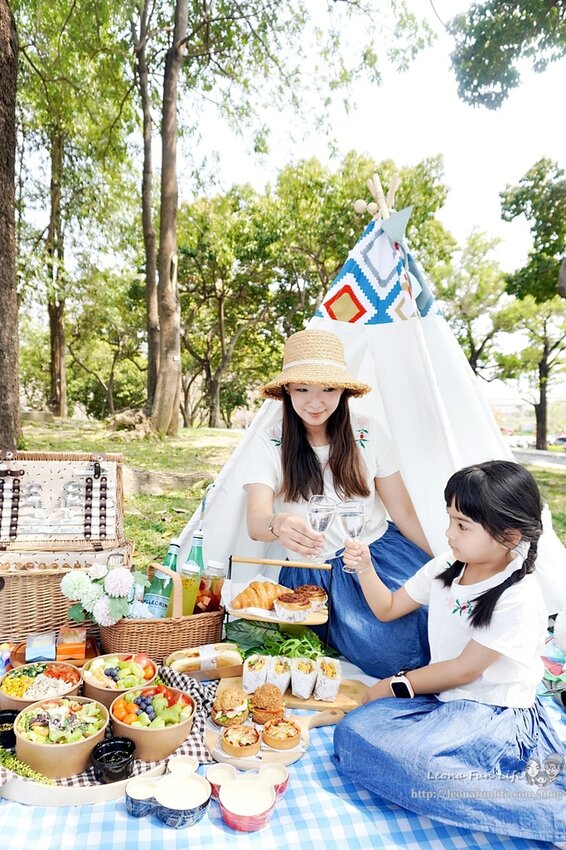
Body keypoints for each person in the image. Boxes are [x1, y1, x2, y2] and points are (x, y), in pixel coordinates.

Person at [333, 460, 566, 844]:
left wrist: (394, 684)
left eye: (462, 525)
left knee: (420, 766)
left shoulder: (519, 596)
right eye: (450, 519)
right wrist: (364, 568)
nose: (448, 533)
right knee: (353, 732)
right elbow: (387, 608)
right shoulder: (447, 566)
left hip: (493, 713)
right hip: (444, 701)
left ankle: (551, 814)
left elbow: (463, 671)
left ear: (508, 536)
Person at [243, 327, 433, 678]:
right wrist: (278, 523)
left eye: (328, 389)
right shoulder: (268, 443)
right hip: (317, 574)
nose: (315, 403)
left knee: (437, 619)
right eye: (303, 389)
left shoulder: (368, 433)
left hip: (380, 555)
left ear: (344, 390)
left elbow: (404, 512)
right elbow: (256, 521)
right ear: (287, 390)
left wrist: (444, 564)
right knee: (391, 654)